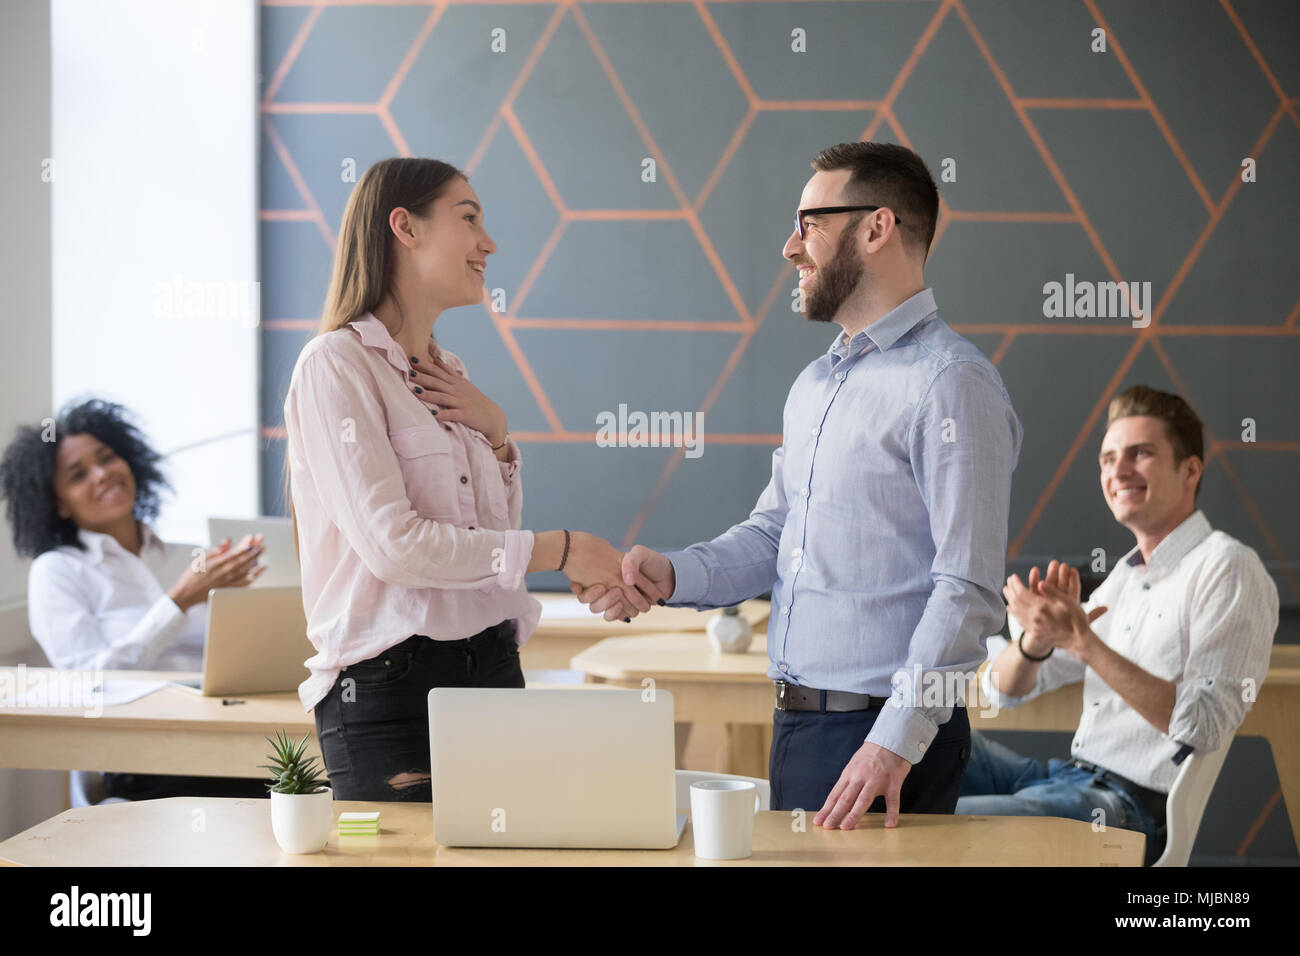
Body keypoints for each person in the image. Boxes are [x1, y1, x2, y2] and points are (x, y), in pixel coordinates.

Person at [575, 142, 1022, 827]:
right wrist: (673, 574)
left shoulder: (952, 384)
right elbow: (775, 534)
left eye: (809, 223)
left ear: (876, 228)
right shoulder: (816, 383)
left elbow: (968, 587)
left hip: (880, 744)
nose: (790, 247)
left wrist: (893, 742)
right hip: (800, 727)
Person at [283, 157, 654, 802]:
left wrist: (499, 436)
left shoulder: (448, 373)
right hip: (390, 689)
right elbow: (396, 548)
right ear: (405, 227)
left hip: (492, 664)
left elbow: (489, 540)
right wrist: (563, 550)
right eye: (470, 218)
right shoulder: (335, 365)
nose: (489, 243)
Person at [957, 386, 1278, 865]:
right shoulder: (1124, 580)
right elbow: (1002, 692)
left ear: (1190, 470)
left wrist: (1084, 642)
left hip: (1126, 810)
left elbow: (1205, 725)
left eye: (1140, 453)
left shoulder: (1227, 566)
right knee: (922, 748)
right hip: (1067, 779)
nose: (1118, 471)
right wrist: (1035, 642)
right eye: (1108, 459)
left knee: (943, 826)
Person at [0, 398, 269, 801]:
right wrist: (178, 602)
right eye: (78, 474)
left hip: (234, 729)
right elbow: (87, 682)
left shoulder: (190, 556)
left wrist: (252, 603)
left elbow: (243, 661)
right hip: (145, 751)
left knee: (319, 783)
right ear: (58, 503)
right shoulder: (57, 571)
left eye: (107, 457)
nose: (102, 473)